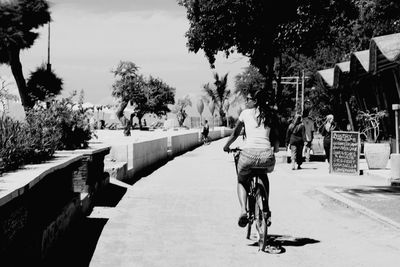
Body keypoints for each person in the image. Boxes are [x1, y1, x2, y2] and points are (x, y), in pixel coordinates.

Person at [223, 90, 279, 228]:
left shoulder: (245, 113)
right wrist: (276, 148)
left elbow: (236, 133)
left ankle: (243, 211)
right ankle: (265, 208)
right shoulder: (271, 115)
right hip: (267, 156)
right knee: (263, 175)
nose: (246, 101)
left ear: (255, 101)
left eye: (248, 99)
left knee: (242, 181)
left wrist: (226, 146)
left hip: (248, 155)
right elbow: (276, 136)